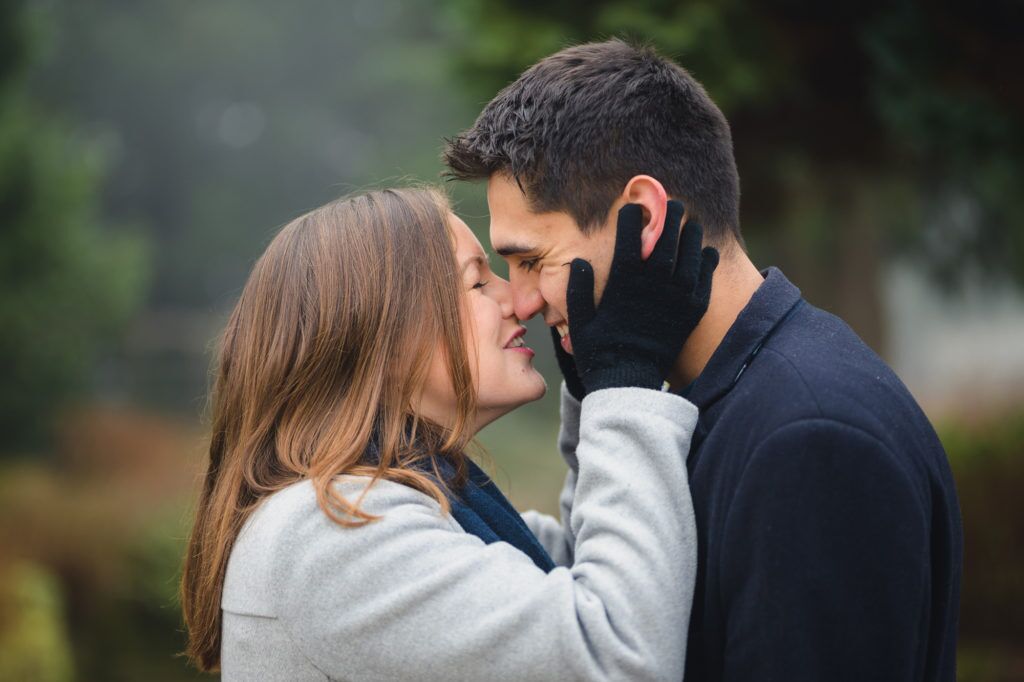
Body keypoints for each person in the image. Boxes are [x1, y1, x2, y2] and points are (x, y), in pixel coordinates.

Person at [444, 39, 963, 681]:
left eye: (531, 261)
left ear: (642, 219)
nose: (518, 301)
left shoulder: (808, 437)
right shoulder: (724, 397)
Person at [180, 186, 718, 680]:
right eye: (478, 281)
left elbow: (584, 567)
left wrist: (593, 386)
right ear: (385, 334)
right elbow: (617, 655)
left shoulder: (396, 507)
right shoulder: (333, 529)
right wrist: (625, 380)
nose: (519, 301)